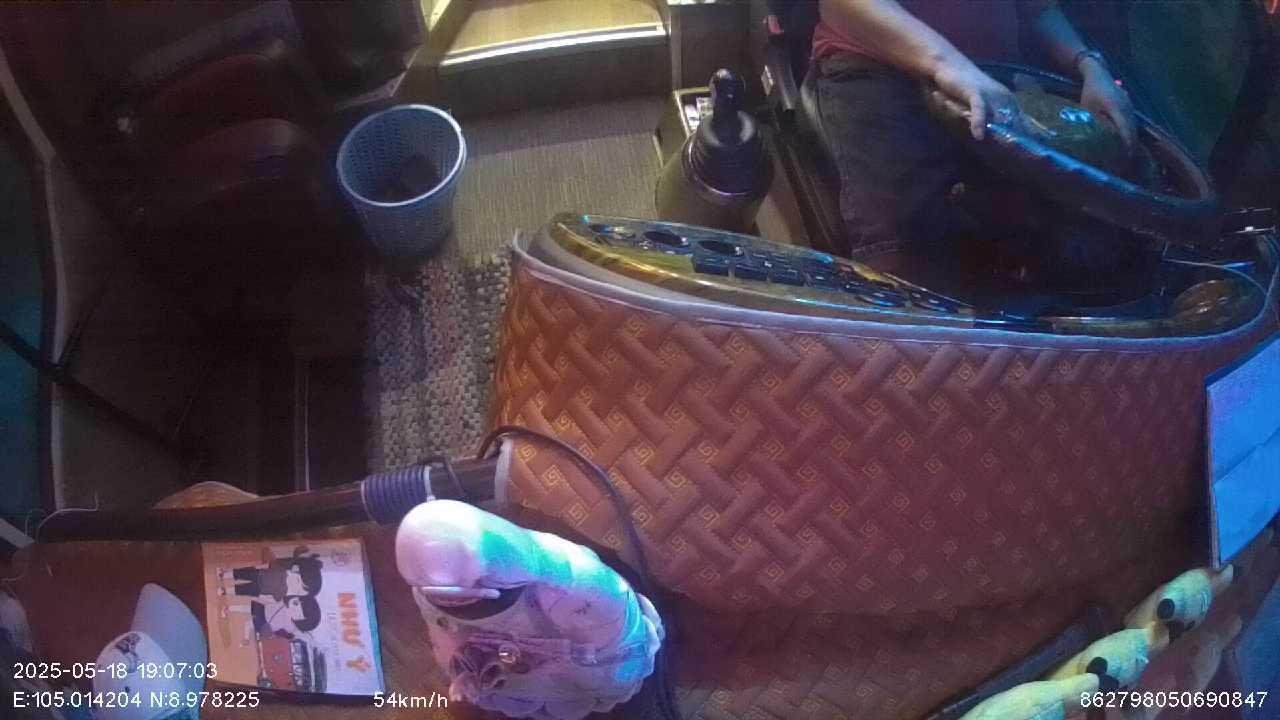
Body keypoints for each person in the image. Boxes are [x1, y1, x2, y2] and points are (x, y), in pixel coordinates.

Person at [810, 0, 1137, 257]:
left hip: (996, 83)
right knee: (908, 243)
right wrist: (949, 64)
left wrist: (1089, 66)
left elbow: (1039, 9)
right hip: (879, 66)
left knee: (1083, 239)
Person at [215, 546, 323, 602]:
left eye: (298, 592)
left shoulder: (282, 592)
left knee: (242, 590)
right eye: (299, 581)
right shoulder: (283, 571)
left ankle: (225, 591)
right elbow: (271, 564)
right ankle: (224, 575)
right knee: (242, 574)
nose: (296, 588)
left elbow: (271, 599)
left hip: (260, 588)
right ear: (297, 571)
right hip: (260, 574)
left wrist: (260, 597)